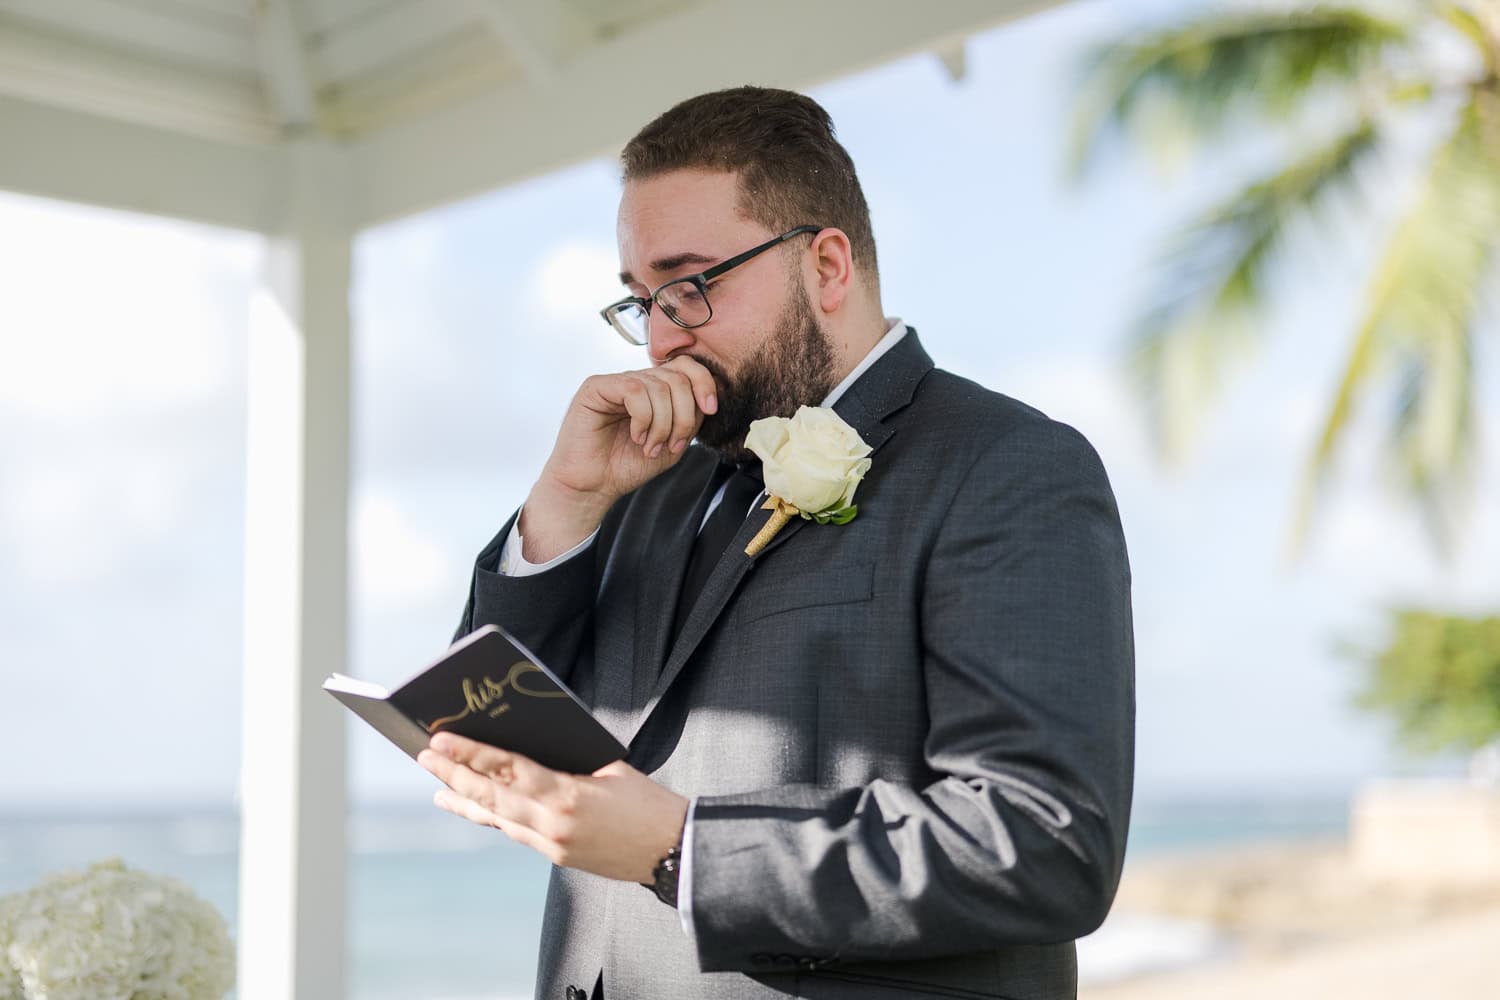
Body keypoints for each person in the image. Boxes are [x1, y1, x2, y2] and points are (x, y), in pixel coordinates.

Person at [422, 86, 1135, 1000]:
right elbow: (495, 753)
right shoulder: (646, 475)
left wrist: (682, 850)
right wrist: (562, 505)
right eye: (642, 301)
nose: (662, 340)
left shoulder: (1010, 465)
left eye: (690, 285)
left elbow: (1044, 844)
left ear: (828, 265)